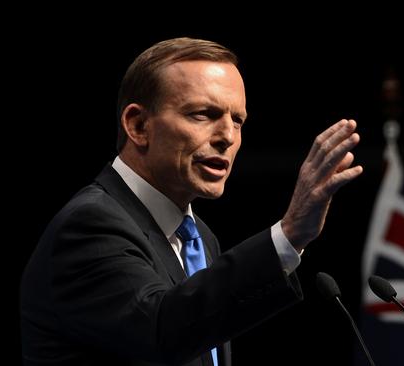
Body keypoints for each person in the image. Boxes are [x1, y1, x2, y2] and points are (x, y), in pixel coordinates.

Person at [20, 37, 363, 366]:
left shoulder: (199, 237)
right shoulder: (90, 226)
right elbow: (162, 329)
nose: (227, 136)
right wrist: (288, 236)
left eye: (237, 120)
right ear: (138, 126)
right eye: (203, 114)